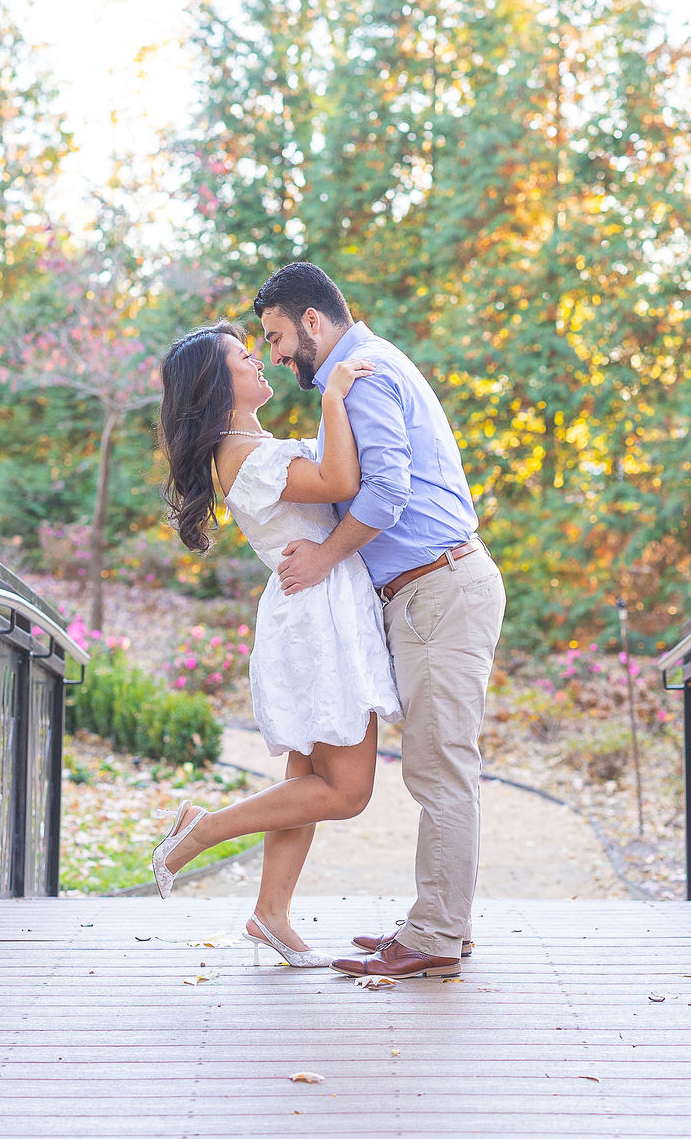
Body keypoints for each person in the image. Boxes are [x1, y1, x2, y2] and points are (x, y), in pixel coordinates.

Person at [254, 262, 506, 981]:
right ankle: (441, 924)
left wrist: (325, 557)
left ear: (311, 321)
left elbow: (387, 491)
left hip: (437, 586)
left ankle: (436, 935)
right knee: (438, 763)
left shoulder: (362, 375)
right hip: (431, 588)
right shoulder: (362, 370)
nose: (276, 354)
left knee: (440, 767)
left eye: (276, 337)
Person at [151, 320, 398, 968]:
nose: (259, 359)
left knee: (308, 778)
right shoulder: (243, 456)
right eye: (243, 355)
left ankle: (271, 913)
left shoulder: (249, 446)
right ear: (216, 382)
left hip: (316, 606)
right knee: (347, 791)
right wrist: (333, 395)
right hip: (316, 617)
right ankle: (202, 829)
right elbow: (341, 483)